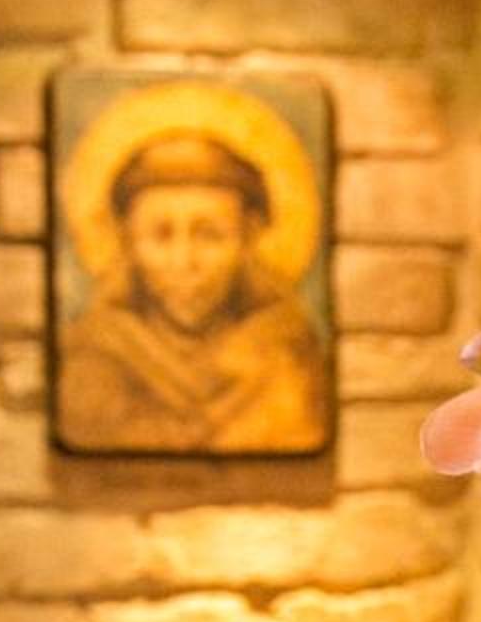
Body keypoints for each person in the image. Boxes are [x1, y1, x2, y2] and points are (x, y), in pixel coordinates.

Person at [54, 129, 329, 455]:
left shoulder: (288, 358)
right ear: (126, 242)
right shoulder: (93, 359)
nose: (184, 262)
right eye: (160, 235)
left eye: (210, 235)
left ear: (248, 240)